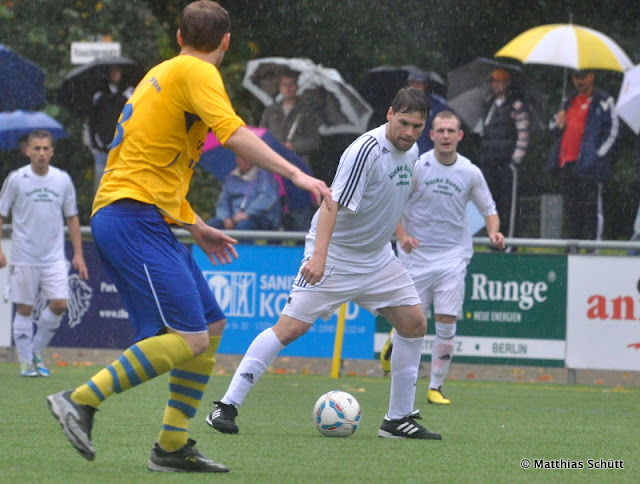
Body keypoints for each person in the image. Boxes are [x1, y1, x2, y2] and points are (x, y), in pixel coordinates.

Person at [46, 1, 331, 474]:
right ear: (226, 42)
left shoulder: (163, 72)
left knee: (211, 327)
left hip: (144, 215)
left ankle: (172, 445)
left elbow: (150, 160)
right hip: (131, 216)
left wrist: (195, 224)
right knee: (191, 338)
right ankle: (79, 400)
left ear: (179, 36)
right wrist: (296, 174)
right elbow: (235, 134)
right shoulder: (197, 74)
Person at [206, 87, 443, 441]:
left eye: (417, 127)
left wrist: (400, 234)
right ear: (390, 114)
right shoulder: (366, 151)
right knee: (288, 330)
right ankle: (225, 406)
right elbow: (331, 203)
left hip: (377, 258)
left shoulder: (413, 154)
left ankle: (397, 419)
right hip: (336, 255)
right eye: (405, 123)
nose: (410, 133)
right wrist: (319, 256)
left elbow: (389, 201)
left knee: (413, 323)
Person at [379, 111, 505, 404]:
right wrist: (402, 235)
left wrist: (494, 233)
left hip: (452, 258)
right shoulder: (417, 166)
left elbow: (489, 208)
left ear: (460, 136)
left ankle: (435, 386)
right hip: (415, 258)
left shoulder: (470, 172)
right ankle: (399, 367)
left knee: (447, 319)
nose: (446, 136)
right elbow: (393, 203)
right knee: (412, 323)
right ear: (431, 135)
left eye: (451, 131)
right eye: (440, 131)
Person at [0, 130, 88, 377]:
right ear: (27, 151)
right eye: (36, 148)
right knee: (25, 309)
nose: (40, 153)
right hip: (24, 256)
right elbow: (1, 214)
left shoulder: (62, 180)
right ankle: (26, 362)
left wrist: (78, 254)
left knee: (60, 304)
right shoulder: (17, 179)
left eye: (45, 148)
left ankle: (36, 351)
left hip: (54, 257)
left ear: (52, 151)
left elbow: (72, 217)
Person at [547, 69, 618, 241]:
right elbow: (552, 129)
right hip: (567, 162)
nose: (579, 81)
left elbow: (613, 131)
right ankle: (573, 244)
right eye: (575, 77)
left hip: (590, 164)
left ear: (592, 76)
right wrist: (558, 123)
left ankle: (593, 246)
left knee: (591, 208)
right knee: (571, 208)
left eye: (583, 77)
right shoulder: (568, 100)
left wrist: (597, 154)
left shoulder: (604, 100)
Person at [260, 68, 322, 231]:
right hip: (272, 167)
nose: (288, 88)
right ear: (279, 87)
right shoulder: (270, 111)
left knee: (299, 213)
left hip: (298, 167)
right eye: (285, 84)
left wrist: (294, 147)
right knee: (272, 211)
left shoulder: (306, 111)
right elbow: (261, 136)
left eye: (292, 84)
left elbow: (314, 141)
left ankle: (303, 251)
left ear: (297, 87)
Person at [477, 68, 529, 239]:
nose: (496, 84)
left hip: (507, 164)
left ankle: (510, 242)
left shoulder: (516, 105)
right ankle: (494, 239)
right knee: (491, 205)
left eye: (500, 81)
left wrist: (515, 162)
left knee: (509, 205)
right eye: (493, 81)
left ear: (507, 83)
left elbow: (523, 135)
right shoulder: (488, 104)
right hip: (489, 162)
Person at [87, 64, 135, 193]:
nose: (115, 74)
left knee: (120, 187)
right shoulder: (100, 96)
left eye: (118, 70)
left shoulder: (128, 95)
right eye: (112, 71)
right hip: (102, 148)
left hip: (121, 149)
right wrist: (95, 145)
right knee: (100, 188)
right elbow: (92, 122)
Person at [207, 156, 281, 231]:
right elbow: (223, 202)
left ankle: (244, 243)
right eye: (242, 157)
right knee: (211, 226)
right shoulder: (232, 178)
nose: (246, 160)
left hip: (259, 217)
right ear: (236, 159)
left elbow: (267, 197)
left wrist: (247, 214)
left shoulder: (264, 175)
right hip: (234, 218)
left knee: (243, 225)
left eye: (248, 156)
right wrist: (225, 218)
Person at [407, 69, 450, 154]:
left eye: (419, 83)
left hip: (429, 153)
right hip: (406, 154)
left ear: (425, 85)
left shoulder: (437, 104)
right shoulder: (401, 103)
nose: (415, 86)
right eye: (413, 83)